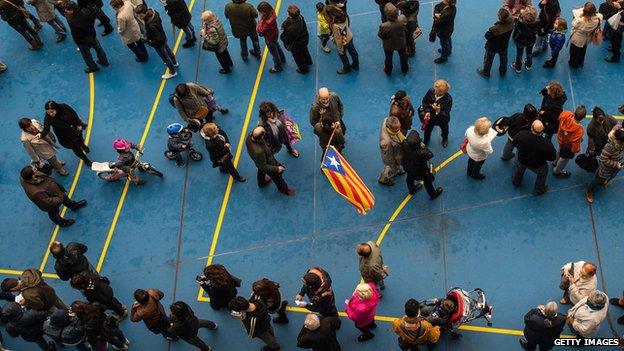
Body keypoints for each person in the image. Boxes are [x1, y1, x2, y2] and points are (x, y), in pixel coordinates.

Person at [19, 166, 86, 226]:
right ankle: (61, 222)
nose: (34, 167)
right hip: (52, 202)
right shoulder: (35, 193)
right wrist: (59, 198)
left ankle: (73, 206)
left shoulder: (24, 177)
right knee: (53, 212)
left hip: (56, 192)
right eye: (34, 169)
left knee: (65, 198)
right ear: (33, 176)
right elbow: (47, 202)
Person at [246, 126, 295, 195]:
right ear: (262, 137)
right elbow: (264, 166)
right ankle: (284, 190)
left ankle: (261, 182)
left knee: (260, 169)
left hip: (258, 160)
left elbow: (261, 166)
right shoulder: (259, 151)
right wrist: (277, 169)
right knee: (277, 178)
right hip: (268, 163)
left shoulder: (249, 137)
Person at [512, 120, 556, 195]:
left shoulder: (522, 134)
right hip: (537, 165)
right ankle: (538, 190)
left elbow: (514, 143)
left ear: (531, 128)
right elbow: (552, 158)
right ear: (543, 130)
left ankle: (516, 181)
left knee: (520, 168)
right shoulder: (547, 144)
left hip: (522, 159)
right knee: (543, 172)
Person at [41, 100, 91, 166]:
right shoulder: (48, 118)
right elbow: (46, 129)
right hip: (66, 136)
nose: (50, 114)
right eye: (48, 112)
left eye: (52, 112)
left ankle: (83, 146)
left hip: (75, 128)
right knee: (77, 150)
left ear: (56, 108)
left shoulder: (63, 107)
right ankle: (86, 160)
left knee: (80, 139)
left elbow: (74, 113)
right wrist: (41, 135)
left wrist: (79, 123)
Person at [135, 4, 178, 79]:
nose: (139, 17)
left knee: (165, 58)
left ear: (145, 13)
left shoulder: (151, 25)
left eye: (140, 15)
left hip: (159, 43)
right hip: (163, 36)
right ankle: (175, 63)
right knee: (168, 50)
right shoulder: (154, 13)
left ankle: (172, 72)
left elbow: (157, 39)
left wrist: (150, 43)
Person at [65, 2, 109, 74]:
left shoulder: (73, 22)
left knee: (86, 55)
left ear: (72, 10)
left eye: (67, 10)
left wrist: (78, 43)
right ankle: (104, 61)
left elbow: (75, 35)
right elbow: (92, 20)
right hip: (92, 35)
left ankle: (93, 67)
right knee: (99, 49)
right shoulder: (86, 11)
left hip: (83, 41)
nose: (66, 12)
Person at [586, 127, 624, 203]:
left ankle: (602, 181)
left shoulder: (620, 143)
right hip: (606, 168)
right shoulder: (610, 147)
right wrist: (616, 164)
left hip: (614, 166)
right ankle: (589, 191)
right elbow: (603, 159)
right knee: (599, 179)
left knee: (606, 177)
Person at [402, 130, 443, 199]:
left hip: (407, 166)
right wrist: (424, 147)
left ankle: (412, 189)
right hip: (420, 170)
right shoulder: (421, 152)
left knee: (409, 177)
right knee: (427, 181)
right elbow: (430, 155)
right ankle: (433, 194)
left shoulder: (405, 144)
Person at [2, 268, 67, 311]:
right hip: (50, 291)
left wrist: (26, 302)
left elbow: (40, 305)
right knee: (60, 304)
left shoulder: (27, 294)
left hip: (48, 302)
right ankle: (68, 311)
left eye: (12, 291)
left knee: (54, 311)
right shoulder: (28, 273)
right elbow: (39, 273)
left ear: (13, 288)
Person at [477, 7, 514, 78]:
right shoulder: (511, 23)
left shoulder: (494, 29)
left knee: (488, 59)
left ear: (499, 17)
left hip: (492, 47)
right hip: (504, 45)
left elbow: (486, 36)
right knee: (503, 59)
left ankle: (486, 72)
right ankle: (503, 71)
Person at [553, 106, 586, 178]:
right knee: (564, 159)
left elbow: (559, 118)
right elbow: (575, 149)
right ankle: (557, 171)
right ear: (583, 118)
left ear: (574, 112)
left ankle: (554, 162)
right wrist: (576, 149)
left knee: (558, 149)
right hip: (567, 147)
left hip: (560, 139)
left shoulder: (565, 114)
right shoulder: (579, 130)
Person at [569, 2, 603, 69]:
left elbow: (573, 24)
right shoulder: (598, 18)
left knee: (574, 52)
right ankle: (580, 62)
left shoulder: (580, 20)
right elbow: (598, 14)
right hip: (587, 38)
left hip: (577, 38)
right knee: (583, 50)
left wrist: (576, 16)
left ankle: (573, 64)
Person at [420, 79, 452, 148]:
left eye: (436, 91)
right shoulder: (431, 91)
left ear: (442, 92)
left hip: (442, 120)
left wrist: (438, 111)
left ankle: (445, 139)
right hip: (430, 117)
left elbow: (446, 114)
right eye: (434, 89)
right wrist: (427, 111)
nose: (434, 92)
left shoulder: (448, 99)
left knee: (445, 130)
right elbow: (424, 101)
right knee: (427, 130)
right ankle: (426, 140)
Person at [280, 5, 312, 74]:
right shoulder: (300, 17)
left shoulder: (292, 28)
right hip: (304, 39)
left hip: (297, 45)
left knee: (299, 58)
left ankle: (304, 69)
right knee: (305, 51)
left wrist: (282, 37)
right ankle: (309, 61)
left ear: (290, 15)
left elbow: (286, 38)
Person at [327, 5, 359, 74]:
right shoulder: (343, 15)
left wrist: (340, 48)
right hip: (349, 36)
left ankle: (347, 68)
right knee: (352, 51)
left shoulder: (335, 25)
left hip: (343, 40)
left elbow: (338, 39)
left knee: (342, 55)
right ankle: (356, 64)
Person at [378, 3, 408, 75]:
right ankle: (405, 69)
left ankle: (388, 70)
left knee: (388, 57)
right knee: (403, 55)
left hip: (389, 44)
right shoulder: (402, 18)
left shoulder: (383, 26)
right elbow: (405, 28)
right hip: (401, 42)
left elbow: (380, 35)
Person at [257, 1, 286, 73]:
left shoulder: (267, 22)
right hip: (275, 33)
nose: (260, 14)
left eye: (260, 12)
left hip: (269, 38)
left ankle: (278, 67)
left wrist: (259, 22)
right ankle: (283, 59)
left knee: (274, 53)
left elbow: (260, 31)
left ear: (264, 11)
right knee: (277, 45)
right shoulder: (272, 11)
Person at [511, 6, 540, 73]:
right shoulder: (537, 22)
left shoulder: (520, 23)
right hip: (531, 40)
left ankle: (518, 68)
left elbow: (515, 28)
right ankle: (528, 65)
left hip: (520, 41)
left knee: (519, 54)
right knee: (529, 52)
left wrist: (518, 17)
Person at [378, 116, 405, 186]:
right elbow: (389, 158)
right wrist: (400, 162)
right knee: (389, 166)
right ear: (391, 128)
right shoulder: (386, 142)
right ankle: (383, 178)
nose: (399, 129)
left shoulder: (386, 120)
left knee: (393, 165)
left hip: (391, 147)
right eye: (397, 129)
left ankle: (397, 170)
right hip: (389, 153)